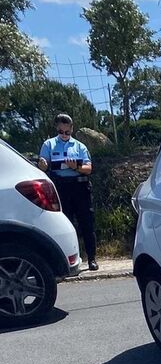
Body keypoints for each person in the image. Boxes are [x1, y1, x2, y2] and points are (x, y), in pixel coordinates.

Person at [38, 114, 98, 271]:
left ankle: (91, 258)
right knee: (66, 225)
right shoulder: (49, 144)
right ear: (57, 129)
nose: (64, 135)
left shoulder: (80, 146)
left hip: (80, 187)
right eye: (61, 131)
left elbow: (88, 168)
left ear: (72, 129)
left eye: (67, 132)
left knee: (87, 223)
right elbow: (43, 166)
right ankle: (69, 261)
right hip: (60, 188)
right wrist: (43, 164)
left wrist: (75, 167)